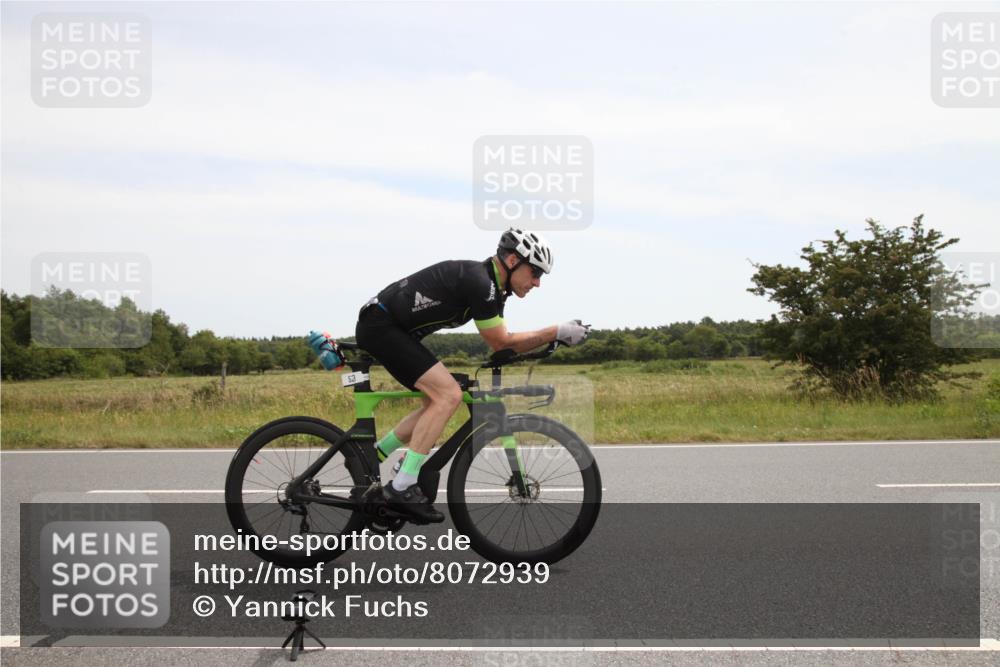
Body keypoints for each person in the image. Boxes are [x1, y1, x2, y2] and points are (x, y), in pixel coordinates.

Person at [354, 228, 590, 522]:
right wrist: (555, 331)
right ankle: (402, 485)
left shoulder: (494, 288)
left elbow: (503, 348)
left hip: (393, 329)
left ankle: (374, 455)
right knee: (448, 395)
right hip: (381, 326)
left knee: (439, 398)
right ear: (514, 260)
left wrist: (551, 342)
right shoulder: (480, 282)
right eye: (534, 272)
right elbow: (501, 341)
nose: (537, 283)